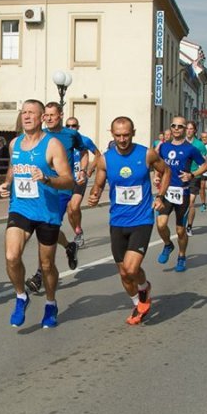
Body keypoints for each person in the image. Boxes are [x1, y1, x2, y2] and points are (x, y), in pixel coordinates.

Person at [0, 99, 74, 328]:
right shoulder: (15, 144)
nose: (26, 116)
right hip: (20, 207)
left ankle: (51, 303)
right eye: (24, 113)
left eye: (32, 113)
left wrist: (47, 178)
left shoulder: (52, 145)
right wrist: (6, 183)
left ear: (42, 117)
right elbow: (13, 167)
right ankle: (21, 296)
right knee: (12, 256)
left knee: (47, 265)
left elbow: (68, 179)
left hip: (47, 211)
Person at [88, 116, 169, 325]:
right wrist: (95, 194)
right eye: (118, 135)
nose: (122, 139)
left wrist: (160, 196)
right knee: (124, 274)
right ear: (112, 134)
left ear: (133, 132)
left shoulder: (147, 154)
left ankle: (142, 294)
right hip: (117, 221)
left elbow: (166, 171)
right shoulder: (105, 159)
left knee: (132, 269)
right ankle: (139, 300)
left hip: (142, 219)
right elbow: (98, 183)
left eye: (126, 135)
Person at [24, 102, 85, 293]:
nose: (49, 118)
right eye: (46, 115)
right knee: (49, 230)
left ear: (60, 115)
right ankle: (69, 246)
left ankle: (39, 275)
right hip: (43, 190)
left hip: (62, 191)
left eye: (52, 115)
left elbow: (84, 151)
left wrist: (83, 170)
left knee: (46, 231)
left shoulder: (71, 134)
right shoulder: (40, 136)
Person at [155, 117, 207, 272]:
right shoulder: (163, 147)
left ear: (185, 129)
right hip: (166, 191)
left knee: (180, 230)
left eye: (180, 126)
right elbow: (159, 165)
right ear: (170, 128)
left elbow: (205, 165)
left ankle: (182, 255)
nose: (176, 128)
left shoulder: (190, 148)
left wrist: (192, 175)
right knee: (161, 224)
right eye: (174, 126)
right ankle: (167, 244)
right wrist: (157, 175)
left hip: (182, 193)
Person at [65, 116, 100, 247]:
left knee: (74, 206)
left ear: (78, 127)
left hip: (80, 178)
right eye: (68, 126)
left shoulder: (84, 140)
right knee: (69, 209)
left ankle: (78, 231)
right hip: (66, 179)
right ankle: (78, 231)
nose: (70, 128)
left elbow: (98, 154)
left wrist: (89, 169)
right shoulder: (61, 140)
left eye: (73, 126)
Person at [184, 120, 207, 236]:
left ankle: (189, 226)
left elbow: (204, 163)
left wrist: (198, 172)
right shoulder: (180, 143)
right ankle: (181, 222)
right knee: (181, 203)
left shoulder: (199, 145)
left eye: (191, 129)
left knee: (190, 202)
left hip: (194, 175)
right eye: (187, 128)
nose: (188, 131)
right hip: (181, 175)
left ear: (194, 131)